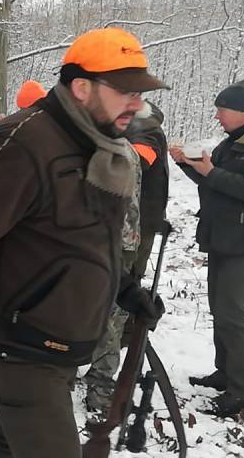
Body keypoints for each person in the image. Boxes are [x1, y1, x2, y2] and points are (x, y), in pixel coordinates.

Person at [0, 27, 168, 458]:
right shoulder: (24, 142)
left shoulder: (100, 147)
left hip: (61, 339)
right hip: (18, 343)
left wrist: (125, 290)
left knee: (10, 438)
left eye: (139, 93)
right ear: (82, 87)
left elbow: (88, 240)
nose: (136, 104)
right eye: (125, 91)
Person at [170, 79, 244, 418]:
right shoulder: (232, 142)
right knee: (220, 307)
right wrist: (188, 164)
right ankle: (226, 372)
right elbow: (216, 182)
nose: (216, 116)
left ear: (243, 111)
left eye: (221, 110)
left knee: (233, 312)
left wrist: (211, 171)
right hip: (224, 238)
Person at [84, 100, 170, 411]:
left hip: (125, 236)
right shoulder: (123, 128)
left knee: (114, 309)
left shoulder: (144, 130)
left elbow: (136, 160)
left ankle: (102, 383)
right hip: (112, 232)